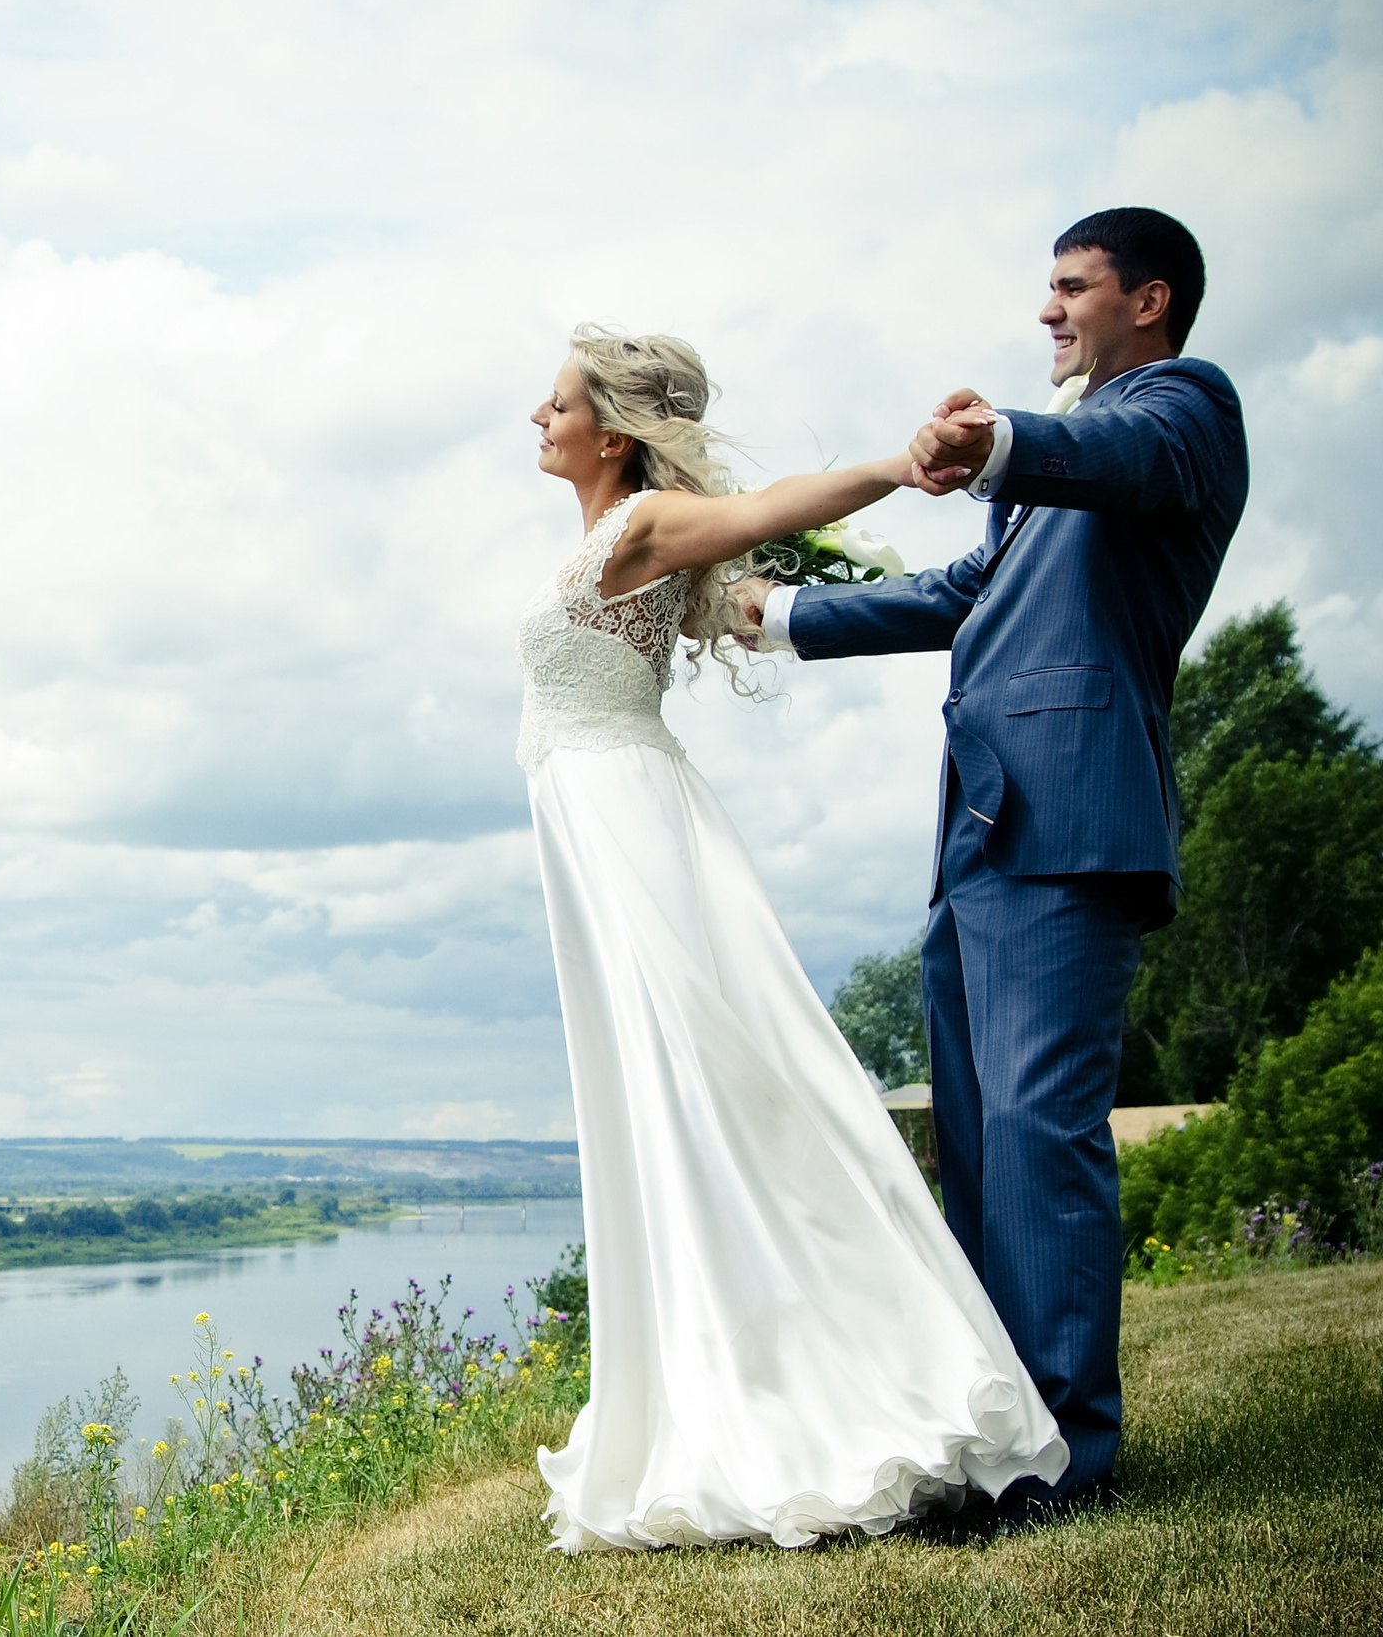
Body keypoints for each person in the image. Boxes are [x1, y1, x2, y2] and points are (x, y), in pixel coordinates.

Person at [519, 325, 1067, 1553]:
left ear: (612, 430)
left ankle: (842, 1374)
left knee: (716, 1082)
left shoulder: (644, 526)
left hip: (628, 822)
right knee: (667, 1095)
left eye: (552, 403)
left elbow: (771, 504)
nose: (535, 420)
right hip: (599, 825)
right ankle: (717, 1363)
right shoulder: (610, 538)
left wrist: (892, 468)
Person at [739, 209, 1248, 1521]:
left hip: (1074, 831)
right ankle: (999, 1428)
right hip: (982, 826)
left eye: (1071, 288)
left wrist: (1003, 440)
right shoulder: (1055, 476)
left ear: (1151, 298)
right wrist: (779, 614)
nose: (1048, 312)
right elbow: (968, 593)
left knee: (1039, 1133)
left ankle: (1068, 1454)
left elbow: (1107, 449)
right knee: (977, 1145)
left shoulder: (1183, 412)